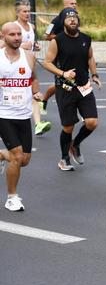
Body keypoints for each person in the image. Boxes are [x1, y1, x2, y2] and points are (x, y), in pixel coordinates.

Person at [42, 9, 101, 171]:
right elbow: (47, 62)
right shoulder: (58, 41)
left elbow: (90, 57)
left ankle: (75, 144)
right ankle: (64, 158)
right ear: (63, 23)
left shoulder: (86, 39)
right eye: (69, 19)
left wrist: (94, 74)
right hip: (65, 88)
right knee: (68, 127)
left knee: (92, 122)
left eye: (75, 18)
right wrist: (63, 73)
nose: (73, 20)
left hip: (84, 87)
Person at [0, 22, 44, 211]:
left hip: (23, 114)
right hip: (3, 113)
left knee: (24, 160)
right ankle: (12, 197)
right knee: (17, 156)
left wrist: (36, 92)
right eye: (12, 34)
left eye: (19, 34)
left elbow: (33, 78)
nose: (17, 37)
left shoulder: (29, 57)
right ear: (3, 36)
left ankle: (2, 155)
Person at [1, 2, 51, 136]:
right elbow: (3, 44)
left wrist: (35, 46)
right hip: (12, 64)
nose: (27, 14)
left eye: (29, 11)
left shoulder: (31, 26)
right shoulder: (12, 26)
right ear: (17, 13)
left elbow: (32, 43)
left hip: (28, 63)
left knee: (32, 93)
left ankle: (37, 124)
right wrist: (23, 46)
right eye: (24, 11)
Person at [41, 0, 79, 115]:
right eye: (72, 3)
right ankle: (44, 100)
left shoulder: (75, 19)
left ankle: (80, 109)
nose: (74, 5)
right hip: (60, 56)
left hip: (73, 55)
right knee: (63, 84)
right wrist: (61, 37)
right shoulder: (56, 20)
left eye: (75, 3)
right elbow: (46, 35)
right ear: (65, 5)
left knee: (74, 82)